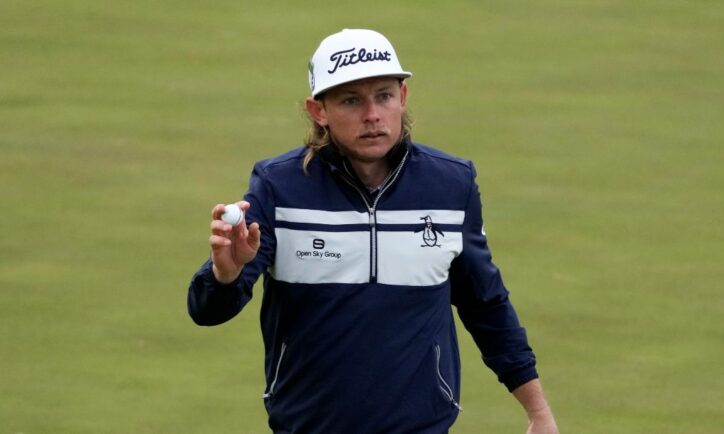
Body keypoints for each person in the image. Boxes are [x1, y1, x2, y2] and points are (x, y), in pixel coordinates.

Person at [188, 28, 559, 434]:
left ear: (403, 97)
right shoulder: (279, 187)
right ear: (318, 111)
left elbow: (485, 303)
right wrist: (225, 275)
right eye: (351, 100)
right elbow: (207, 312)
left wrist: (538, 411)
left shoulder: (451, 186)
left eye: (383, 96)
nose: (372, 115)